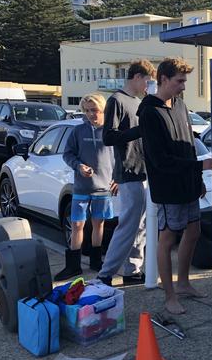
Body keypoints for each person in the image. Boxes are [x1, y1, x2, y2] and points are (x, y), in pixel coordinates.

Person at [137, 57, 212, 315]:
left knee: (193, 232)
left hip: (188, 182)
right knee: (168, 237)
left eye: (184, 81)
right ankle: (169, 295)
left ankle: (183, 284)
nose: (183, 86)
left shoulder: (181, 105)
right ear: (163, 79)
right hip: (168, 186)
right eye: (179, 81)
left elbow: (189, 146)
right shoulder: (149, 112)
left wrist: (197, 180)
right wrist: (199, 168)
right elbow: (159, 160)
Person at [98, 59, 155, 287]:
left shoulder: (138, 102)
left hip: (142, 170)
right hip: (129, 170)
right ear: (138, 76)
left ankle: (133, 270)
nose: (148, 87)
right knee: (128, 225)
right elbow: (108, 136)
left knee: (140, 224)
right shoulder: (117, 100)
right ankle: (105, 274)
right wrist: (139, 131)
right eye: (148, 81)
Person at [56, 93, 116, 281]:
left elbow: (121, 158)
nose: (91, 114)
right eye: (88, 111)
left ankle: (96, 262)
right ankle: (73, 266)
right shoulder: (78, 131)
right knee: (77, 224)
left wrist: (118, 179)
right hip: (81, 187)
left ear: (103, 110)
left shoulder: (110, 131)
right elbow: (68, 154)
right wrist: (79, 166)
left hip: (104, 187)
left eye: (95, 110)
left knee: (99, 224)